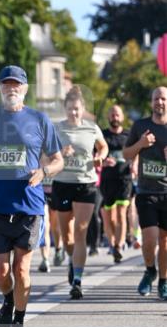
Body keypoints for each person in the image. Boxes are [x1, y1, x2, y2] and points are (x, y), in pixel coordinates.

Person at [0, 65, 63, 327]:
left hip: (28, 207)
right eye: (7, 84)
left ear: (25, 89)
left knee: (22, 269)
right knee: (1, 273)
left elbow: (58, 159)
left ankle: (19, 322)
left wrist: (44, 171)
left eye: (16, 85)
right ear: (0, 88)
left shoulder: (39, 119)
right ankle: (8, 298)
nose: (12, 89)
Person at [51, 86, 108, 299]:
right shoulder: (56, 129)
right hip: (62, 182)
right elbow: (45, 155)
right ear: (65, 109)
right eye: (70, 109)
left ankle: (77, 280)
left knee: (81, 231)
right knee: (66, 236)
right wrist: (60, 153)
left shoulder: (92, 128)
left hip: (86, 183)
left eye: (77, 109)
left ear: (82, 109)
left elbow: (103, 146)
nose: (73, 113)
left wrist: (100, 155)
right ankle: (71, 259)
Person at [123, 86, 167, 299]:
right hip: (146, 191)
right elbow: (126, 154)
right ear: (151, 102)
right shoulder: (141, 126)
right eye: (157, 98)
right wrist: (140, 143)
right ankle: (150, 270)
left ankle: (164, 282)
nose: (160, 102)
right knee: (150, 238)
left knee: (165, 242)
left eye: (164, 99)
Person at [100, 104, 133, 262]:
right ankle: (112, 244)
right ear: (108, 117)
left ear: (122, 117)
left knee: (121, 213)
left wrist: (135, 165)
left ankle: (119, 246)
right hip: (107, 180)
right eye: (112, 115)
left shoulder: (129, 134)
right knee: (110, 217)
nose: (115, 117)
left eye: (117, 115)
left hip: (124, 179)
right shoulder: (103, 135)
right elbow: (96, 154)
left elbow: (136, 152)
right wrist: (103, 161)